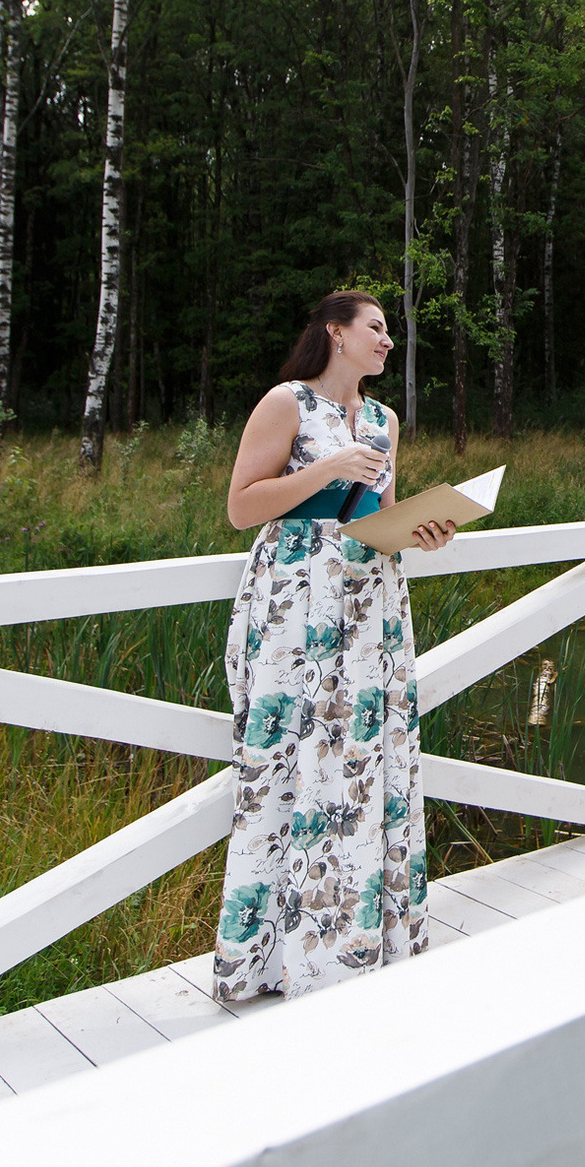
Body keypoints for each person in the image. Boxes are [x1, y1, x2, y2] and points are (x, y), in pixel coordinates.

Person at [214, 291, 457, 1001]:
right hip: (296, 595)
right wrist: (327, 469)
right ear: (336, 334)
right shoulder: (286, 402)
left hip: (371, 596)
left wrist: (426, 530)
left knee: (361, 756)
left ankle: (358, 944)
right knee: (292, 755)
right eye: (376, 328)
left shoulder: (384, 419)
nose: (388, 340)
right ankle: (275, 960)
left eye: (390, 331)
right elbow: (240, 507)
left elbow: (379, 515)